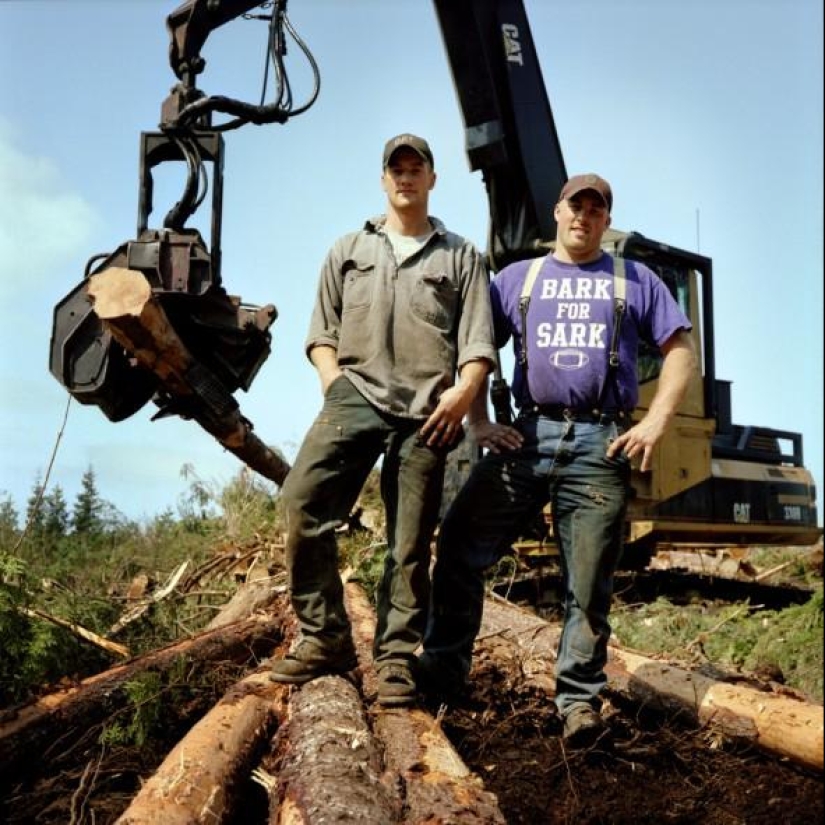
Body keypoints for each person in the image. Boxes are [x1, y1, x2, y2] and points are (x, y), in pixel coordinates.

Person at [418, 173, 697, 745]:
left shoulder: (635, 279)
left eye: (597, 210)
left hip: (599, 442)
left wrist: (655, 422)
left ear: (604, 220)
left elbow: (679, 350)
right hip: (527, 436)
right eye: (577, 206)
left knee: (588, 583)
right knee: (459, 547)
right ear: (557, 211)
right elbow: (473, 349)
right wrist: (478, 423)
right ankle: (443, 676)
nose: (584, 217)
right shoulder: (518, 279)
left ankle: (578, 706)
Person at [269, 133, 497, 707]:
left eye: (416, 168)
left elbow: (477, 343)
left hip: (428, 413)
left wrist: (463, 393)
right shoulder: (349, 248)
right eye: (396, 168)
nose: (405, 177)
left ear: (431, 179)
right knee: (302, 503)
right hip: (355, 396)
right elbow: (321, 333)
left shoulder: (461, 255)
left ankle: (396, 659)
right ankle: (325, 638)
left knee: (410, 541)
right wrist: (333, 382)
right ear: (383, 180)